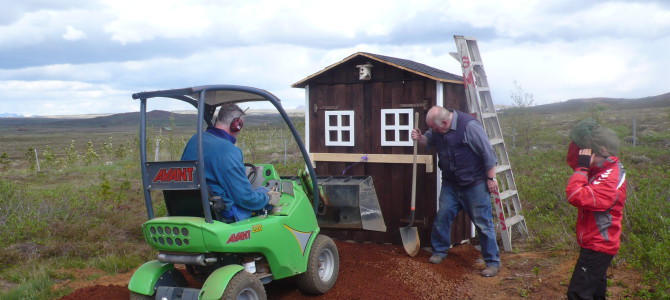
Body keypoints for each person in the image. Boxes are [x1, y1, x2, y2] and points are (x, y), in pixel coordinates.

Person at [411, 106, 501, 277]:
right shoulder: (437, 129)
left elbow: (488, 155)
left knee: (483, 224)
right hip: (451, 184)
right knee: (442, 217)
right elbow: (428, 142)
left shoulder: (469, 127)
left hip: (474, 184)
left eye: (435, 128)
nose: (434, 131)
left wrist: (490, 179)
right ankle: (439, 251)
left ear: (445, 122)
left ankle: (492, 262)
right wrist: (420, 137)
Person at [181, 103, 278, 222]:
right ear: (236, 125)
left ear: (217, 120)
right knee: (264, 194)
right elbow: (245, 198)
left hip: (191, 209)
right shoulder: (228, 151)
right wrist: (267, 197)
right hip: (221, 214)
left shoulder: (195, 140)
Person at [565, 119, 626, 300]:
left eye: (588, 153)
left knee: (578, 294)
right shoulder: (601, 167)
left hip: (599, 245)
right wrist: (581, 141)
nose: (585, 159)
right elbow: (573, 161)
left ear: (603, 151)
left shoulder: (609, 179)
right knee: (594, 291)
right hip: (596, 242)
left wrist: (583, 166)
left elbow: (575, 194)